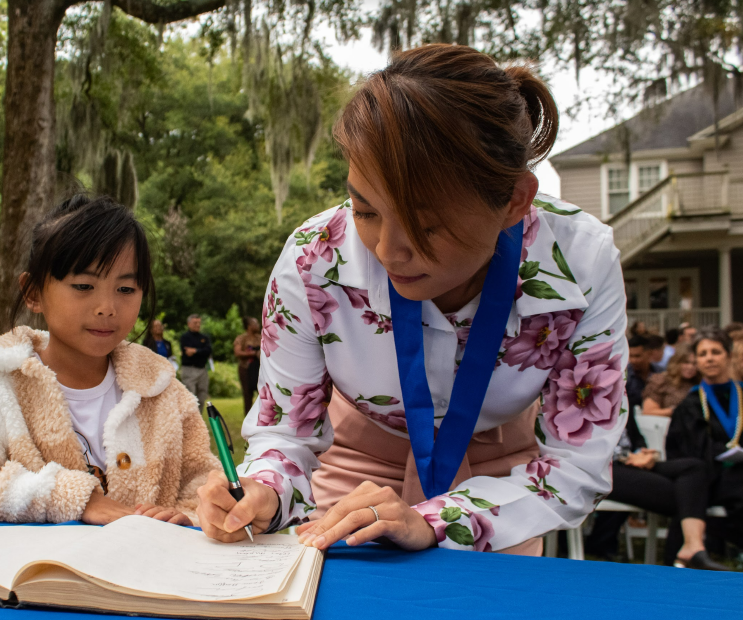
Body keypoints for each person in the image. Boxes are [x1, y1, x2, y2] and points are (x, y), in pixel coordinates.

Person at [197, 44, 628, 554]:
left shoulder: (582, 260)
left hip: (502, 488)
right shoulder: (314, 258)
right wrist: (264, 487)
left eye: (426, 224)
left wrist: (438, 521)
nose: (388, 251)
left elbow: (577, 465)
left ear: (514, 200)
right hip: (349, 481)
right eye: (366, 210)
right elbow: (284, 433)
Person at [0, 195, 219, 526]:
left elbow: (202, 481)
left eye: (126, 289)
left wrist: (192, 516)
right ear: (33, 292)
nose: (107, 307)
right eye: (84, 285)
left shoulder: (161, 389)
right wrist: (74, 499)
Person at [666, 328, 743, 563]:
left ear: (729, 355)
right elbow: (690, 453)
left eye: (716, 352)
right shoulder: (690, 404)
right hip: (713, 479)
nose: (709, 358)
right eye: (703, 354)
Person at [585, 410, 726, 569]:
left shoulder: (618, 393)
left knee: (695, 468)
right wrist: (625, 456)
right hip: (601, 468)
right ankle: (679, 562)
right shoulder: (583, 392)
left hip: (630, 463)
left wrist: (644, 453)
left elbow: (635, 437)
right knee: (685, 495)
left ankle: (692, 547)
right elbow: (578, 442)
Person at [642, 347, 699, 417]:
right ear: (677, 362)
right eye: (686, 362)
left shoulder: (700, 383)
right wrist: (674, 411)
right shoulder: (661, 381)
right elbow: (648, 412)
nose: (691, 367)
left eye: (695, 363)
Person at [179, 315, 212, 411]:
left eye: (199, 323)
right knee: (190, 397)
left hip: (202, 370)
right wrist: (200, 351)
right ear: (189, 324)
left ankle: (198, 419)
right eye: (195, 323)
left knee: (202, 395)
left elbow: (208, 351)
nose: (197, 325)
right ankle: (189, 420)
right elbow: (187, 352)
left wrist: (195, 351)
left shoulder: (204, 338)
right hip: (189, 369)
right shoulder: (185, 337)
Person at [233, 317, 262, 413]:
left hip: (260, 369)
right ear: (249, 326)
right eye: (255, 323)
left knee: (262, 393)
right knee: (247, 394)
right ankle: (248, 417)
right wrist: (253, 353)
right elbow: (237, 353)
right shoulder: (241, 338)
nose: (258, 325)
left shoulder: (261, 337)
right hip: (246, 369)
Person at [626, 335, 656, 414]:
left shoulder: (660, 373)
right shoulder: (624, 378)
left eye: (637, 356)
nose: (633, 360)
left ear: (649, 354)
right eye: (630, 356)